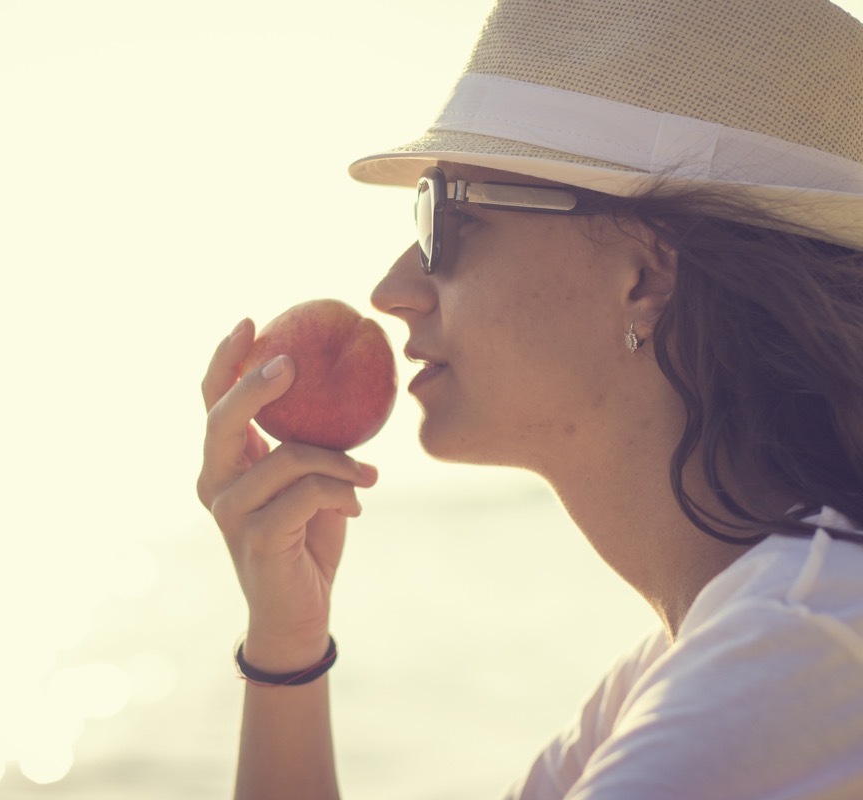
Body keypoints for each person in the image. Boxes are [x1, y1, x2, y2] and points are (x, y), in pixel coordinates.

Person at [196, 0, 863, 797]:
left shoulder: (774, 677)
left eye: (448, 216)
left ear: (644, 276)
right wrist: (288, 645)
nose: (392, 289)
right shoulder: (737, 648)